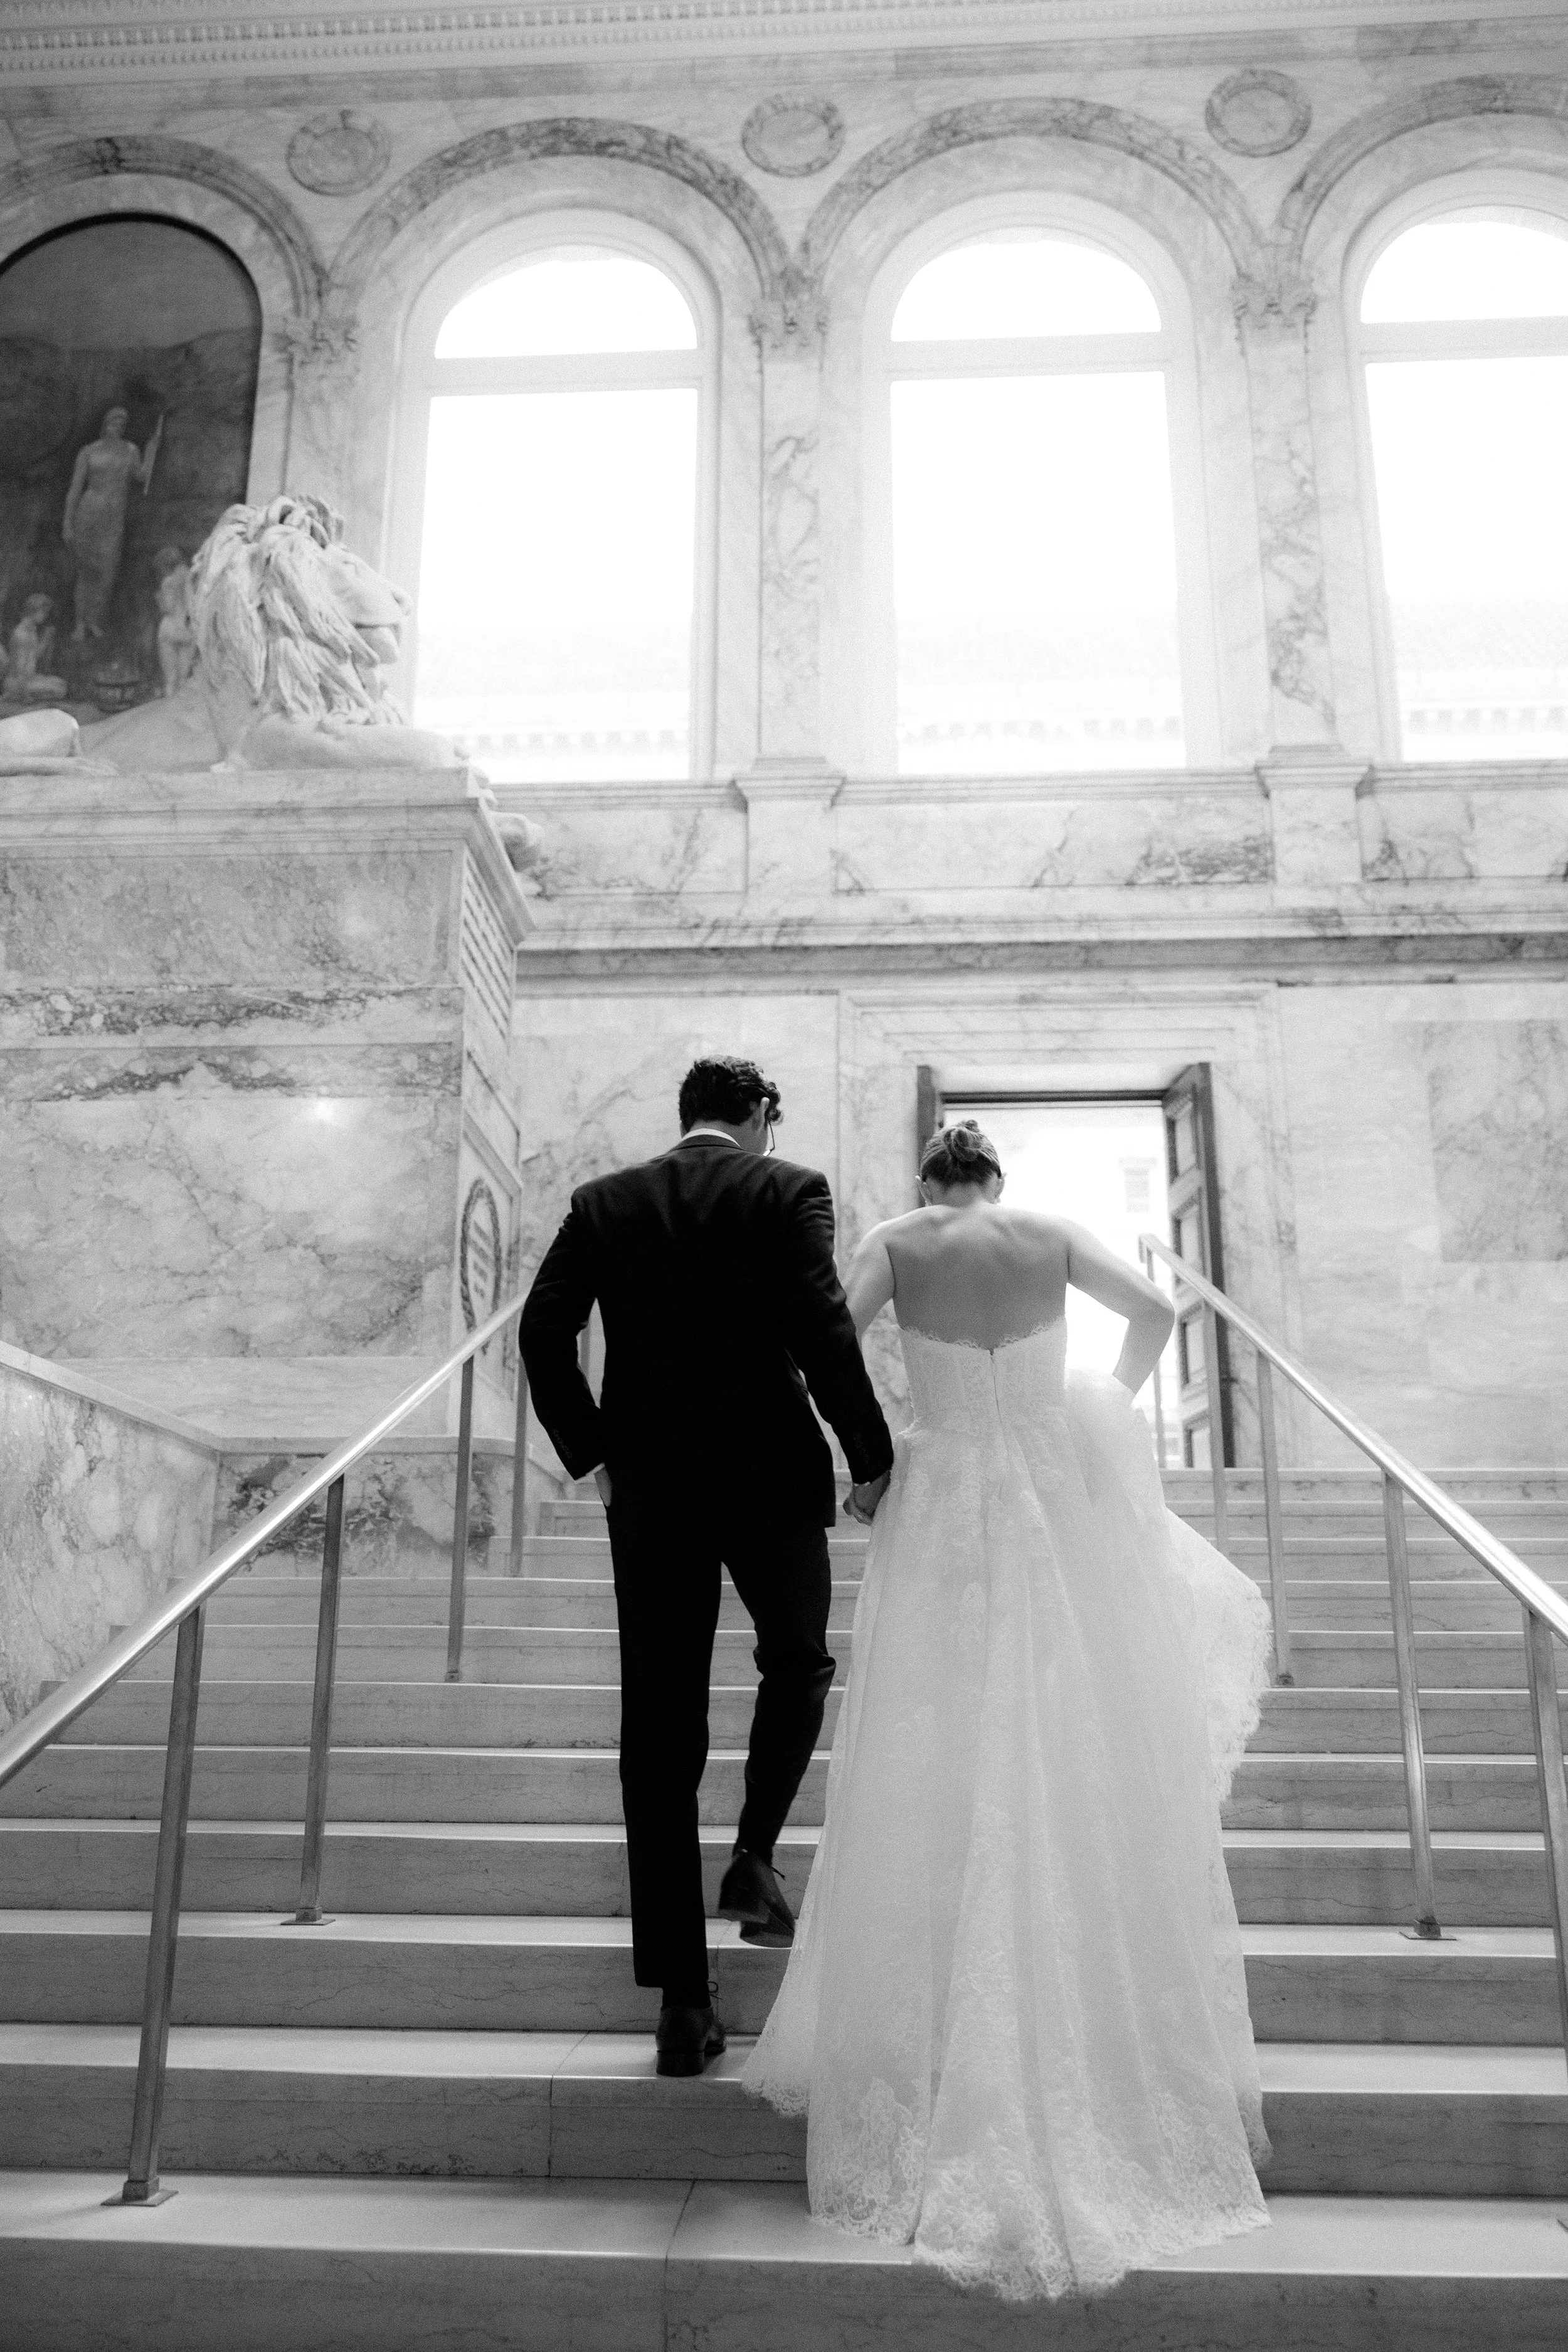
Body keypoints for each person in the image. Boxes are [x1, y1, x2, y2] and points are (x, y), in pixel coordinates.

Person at [744, 1117, 1273, 2301]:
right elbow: (1157, 1311)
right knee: (1061, 1730)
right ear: (996, 1176)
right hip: (1049, 1483)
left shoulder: (896, 1236)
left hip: (939, 1492)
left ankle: (933, 2010)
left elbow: (818, 1327)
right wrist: (1104, 1405)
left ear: (929, 1177)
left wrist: (864, 1451)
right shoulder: (1050, 1231)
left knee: (932, 1739)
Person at [519, 1056, 895, 2078]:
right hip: (771, 1476)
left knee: (660, 1732)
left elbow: (542, 1331)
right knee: (799, 1660)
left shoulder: (606, 1201)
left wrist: (593, 1452)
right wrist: (871, 1454)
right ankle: (753, 1855)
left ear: (689, 1116)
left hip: (650, 1493)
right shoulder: (786, 1190)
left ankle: (684, 2005)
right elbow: (822, 1330)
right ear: (760, 1115)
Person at [61, 406, 162, 641]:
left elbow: (142, 476)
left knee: (107, 572)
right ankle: (79, 624)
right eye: (114, 422)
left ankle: (94, 621)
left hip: (114, 517)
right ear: (105, 424)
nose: (118, 427)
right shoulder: (88, 452)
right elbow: (75, 490)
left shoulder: (130, 450)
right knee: (85, 572)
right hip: (88, 513)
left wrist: (150, 450)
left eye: (122, 424)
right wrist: (67, 523)